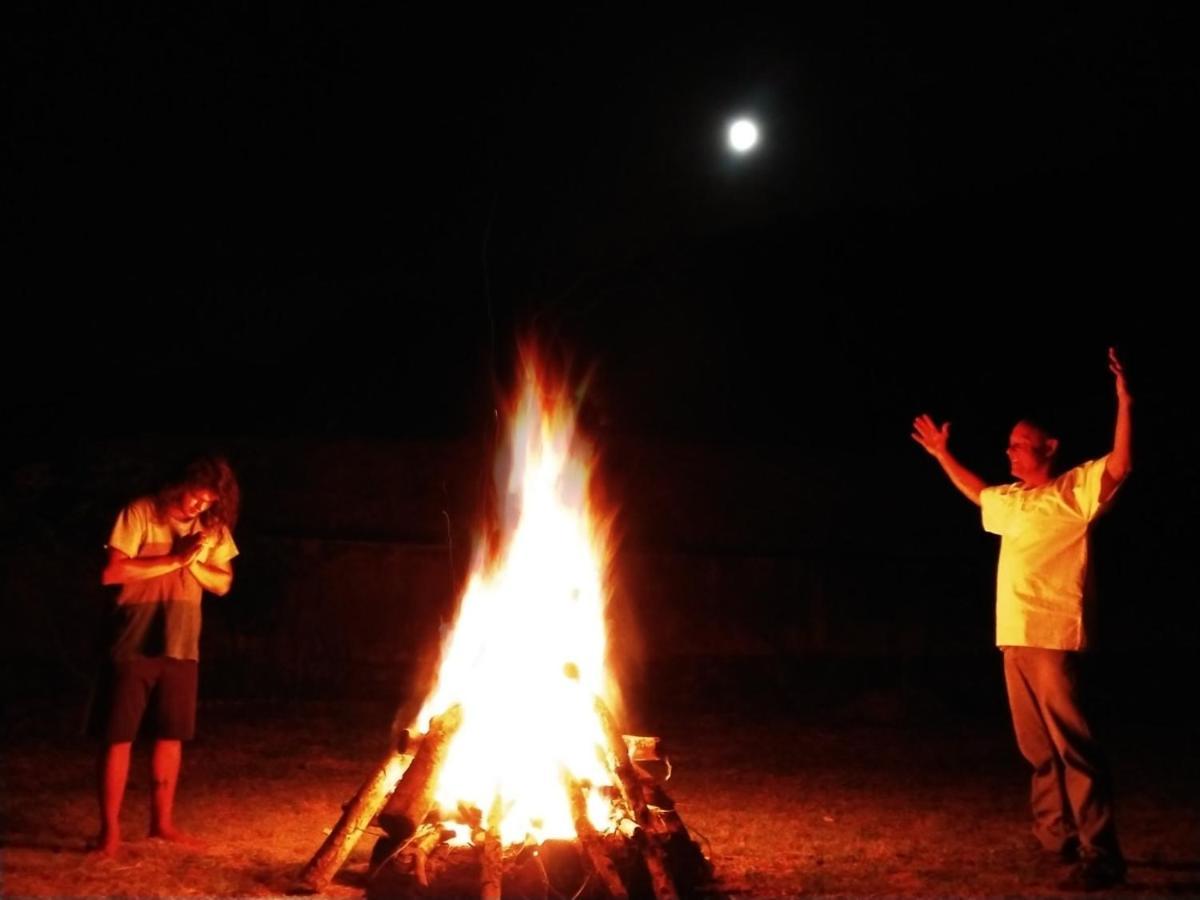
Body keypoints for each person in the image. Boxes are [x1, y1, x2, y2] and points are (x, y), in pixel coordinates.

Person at [911, 348, 1131, 892]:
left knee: (1072, 747)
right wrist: (943, 454)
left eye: (1019, 445)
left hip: (1055, 636)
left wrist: (1125, 400)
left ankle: (1101, 852)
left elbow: (1122, 465)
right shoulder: (1012, 501)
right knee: (1037, 750)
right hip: (1015, 638)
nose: (1009, 452)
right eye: (1008, 445)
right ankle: (1057, 840)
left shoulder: (1073, 493)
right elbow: (976, 490)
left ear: (1049, 448)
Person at [91, 456, 240, 855]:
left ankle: (162, 824)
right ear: (181, 484)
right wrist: (175, 558)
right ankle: (110, 833)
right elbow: (113, 572)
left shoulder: (211, 529)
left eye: (209, 502)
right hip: (134, 640)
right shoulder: (140, 512)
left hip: (181, 642)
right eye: (197, 496)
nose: (200, 507)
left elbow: (223, 583)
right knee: (118, 736)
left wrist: (191, 562)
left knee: (170, 735)